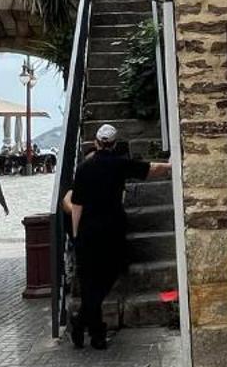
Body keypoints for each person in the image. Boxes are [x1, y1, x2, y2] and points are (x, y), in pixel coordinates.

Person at [61, 123, 171, 349]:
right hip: (112, 229)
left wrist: (75, 234)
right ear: (114, 143)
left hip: (88, 232)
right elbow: (150, 169)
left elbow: (77, 206)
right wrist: (170, 165)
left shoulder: (83, 169)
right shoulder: (119, 165)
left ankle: (85, 324)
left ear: (96, 142)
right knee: (108, 276)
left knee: (91, 282)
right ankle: (94, 331)